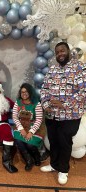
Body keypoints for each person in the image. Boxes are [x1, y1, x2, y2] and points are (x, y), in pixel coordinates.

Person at [40, 42, 86, 185]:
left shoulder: (79, 68)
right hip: (52, 114)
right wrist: (46, 104)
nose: (60, 54)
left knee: (65, 142)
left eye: (62, 51)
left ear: (68, 51)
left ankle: (63, 170)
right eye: (57, 52)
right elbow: (44, 89)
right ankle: (54, 165)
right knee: (53, 140)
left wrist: (64, 104)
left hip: (70, 115)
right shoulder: (52, 69)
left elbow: (83, 91)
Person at [12, 83, 43, 171]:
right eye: (22, 92)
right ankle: (29, 160)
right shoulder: (18, 102)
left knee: (29, 144)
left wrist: (31, 132)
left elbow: (39, 119)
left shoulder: (36, 104)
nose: (24, 94)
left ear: (30, 92)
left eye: (26, 92)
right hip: (20, 125)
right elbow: (15, 116)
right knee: (18, 140)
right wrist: (21, 129)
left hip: (33, 127)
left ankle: (37, 157)